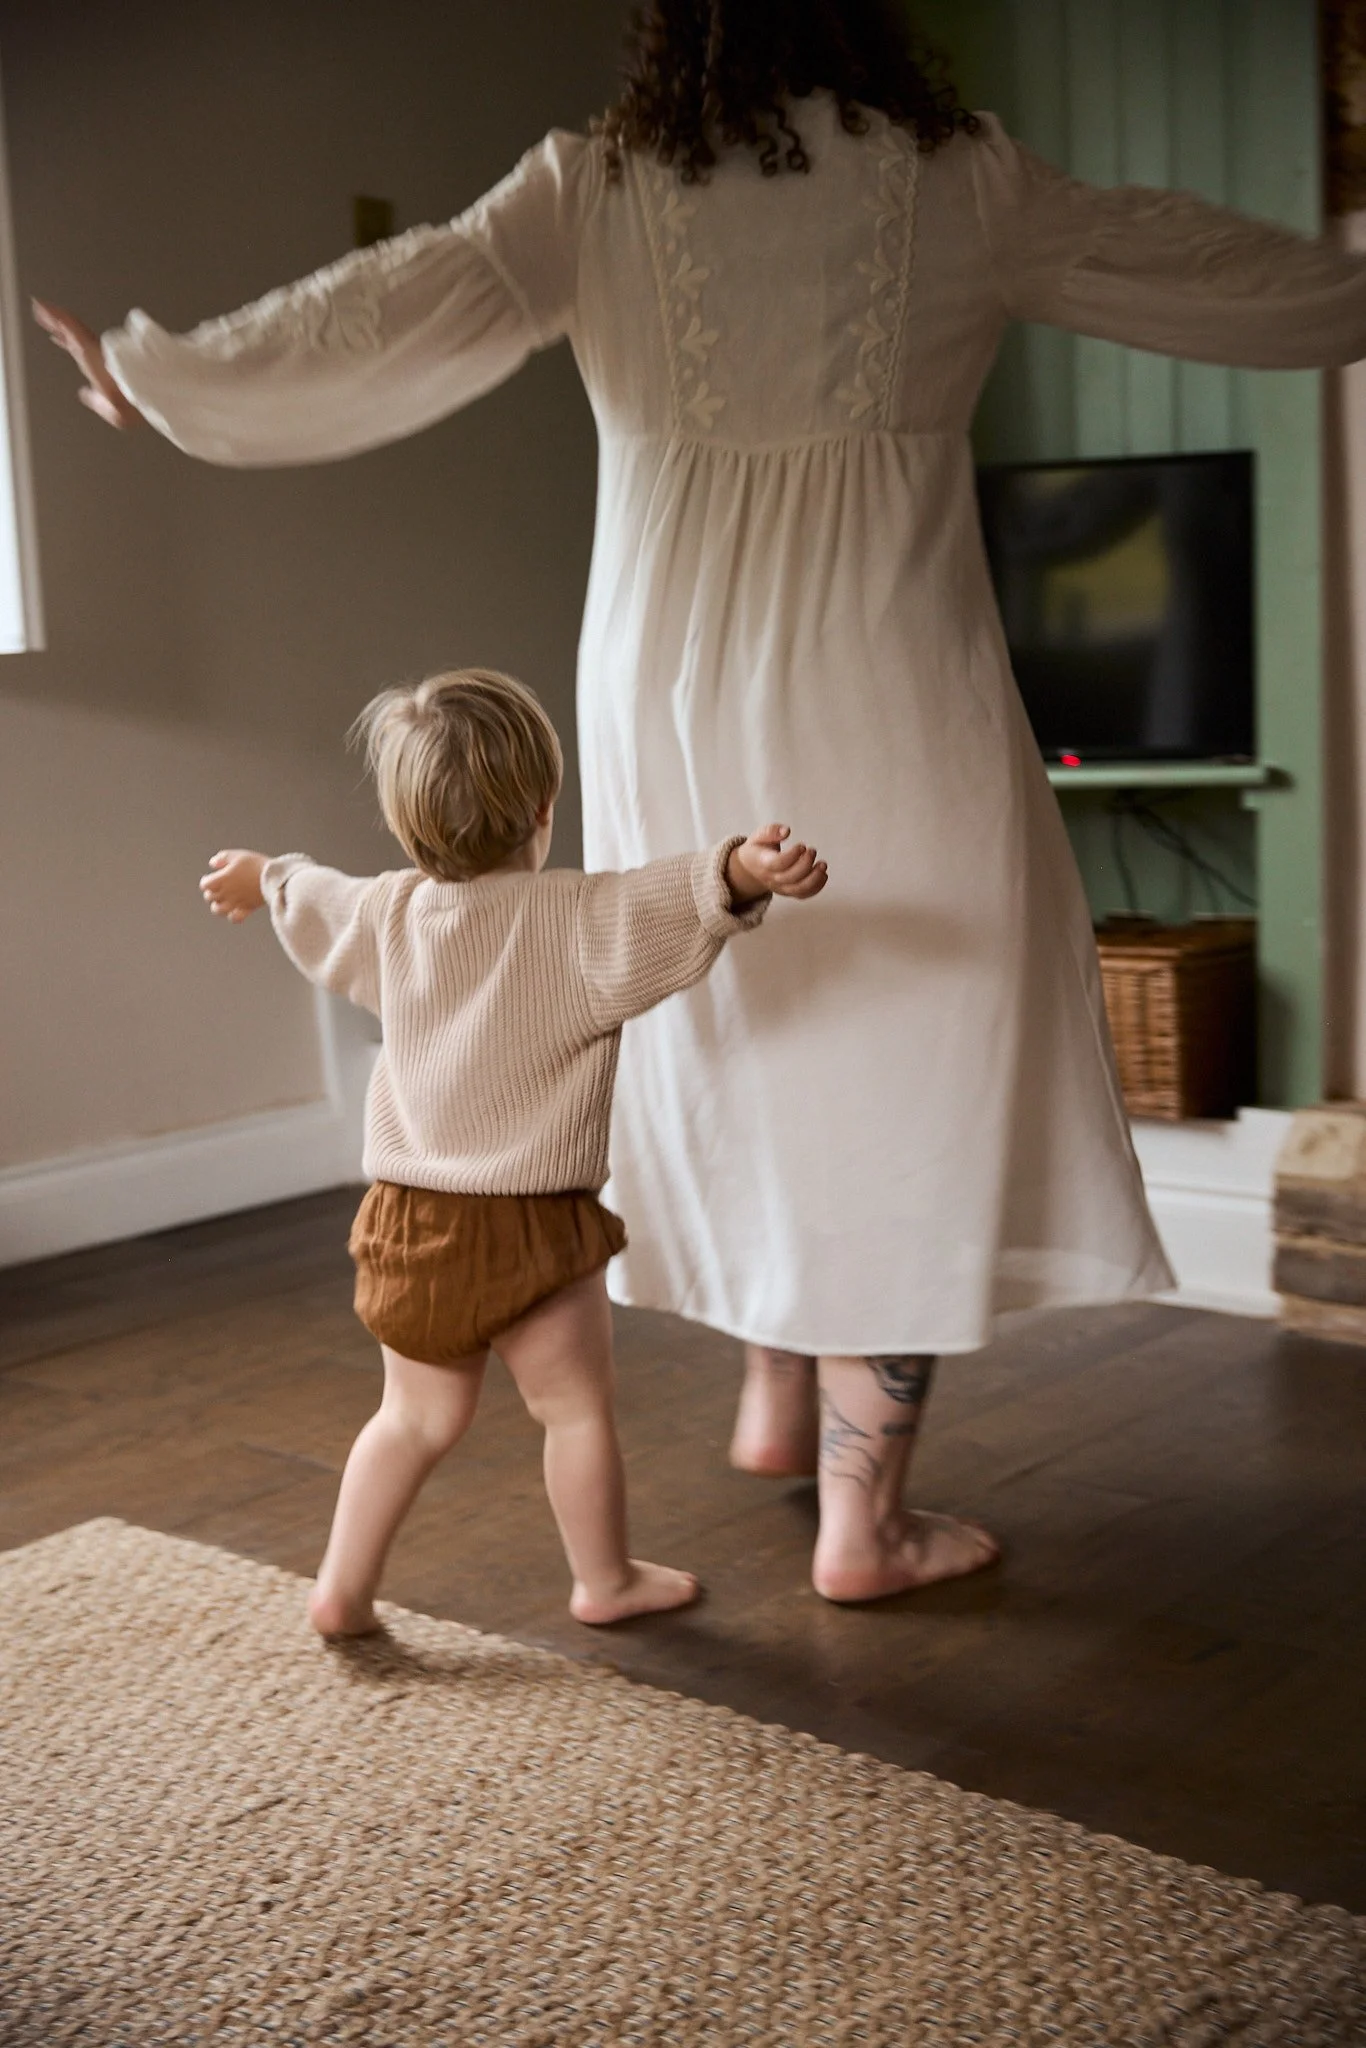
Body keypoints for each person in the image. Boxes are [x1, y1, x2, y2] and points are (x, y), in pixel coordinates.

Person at [37, 0, 1366, 1604]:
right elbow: (1190, 256)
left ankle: (771, 1394)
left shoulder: (592, 184)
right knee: (902, 1056)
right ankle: (861, 1522)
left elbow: (402, 300)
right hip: (892, 664)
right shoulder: (961, 178)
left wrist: (171, 379)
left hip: (667, 665)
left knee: (729, 1007)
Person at [199, 666, 827, 1634]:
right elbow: (678, 897)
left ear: (406, 828)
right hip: (536, 1226)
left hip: (410, 1218)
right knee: (572, 1409)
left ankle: (341, 1589)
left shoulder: (388, 914)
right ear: (543, 807)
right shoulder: (579, 918)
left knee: (410, 1417)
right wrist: (746, 865)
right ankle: (603, 1580)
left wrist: (261, 874)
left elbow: (314, 895)